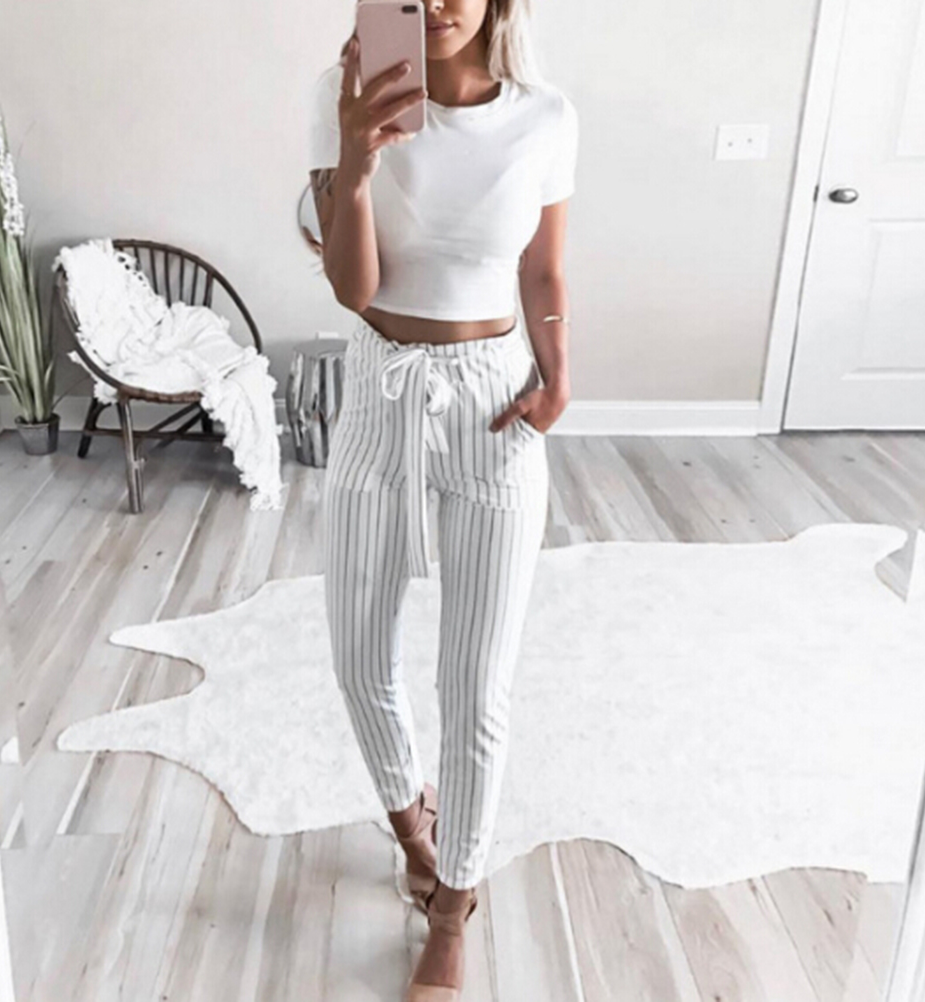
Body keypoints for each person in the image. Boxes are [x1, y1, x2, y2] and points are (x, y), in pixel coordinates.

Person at [306, 2, 577, 998]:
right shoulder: (341, 95)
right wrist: (354, 158)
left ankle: (455, 905)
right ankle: (413, 828)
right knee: (358, 658)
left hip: (495, 405)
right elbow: (353, 287)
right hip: (380, 388)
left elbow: (542, 268)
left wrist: (560, 371)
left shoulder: (545, 117)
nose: (433, 3)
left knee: (475, 687)